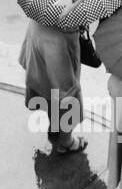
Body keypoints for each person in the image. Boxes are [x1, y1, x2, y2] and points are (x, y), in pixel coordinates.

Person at [21, 19, 87, 155]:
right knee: (65, 100)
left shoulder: (41, 9)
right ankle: (66, 142)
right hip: (57, 57)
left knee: (50, 95)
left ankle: (55, 127)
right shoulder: (59, 37)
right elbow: (66, 91)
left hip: (40, 55)